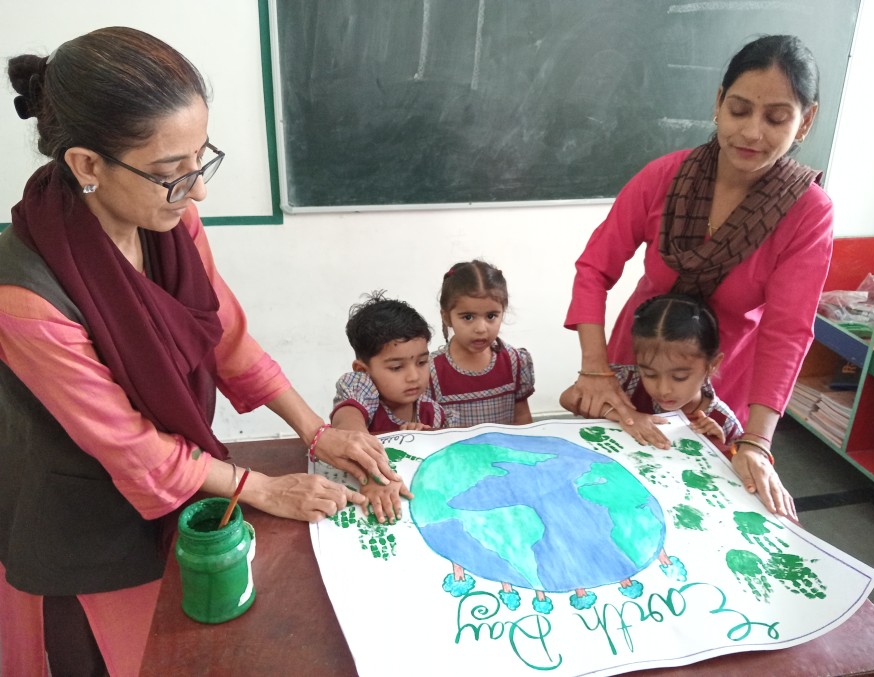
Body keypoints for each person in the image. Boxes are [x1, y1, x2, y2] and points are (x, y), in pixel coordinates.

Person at [0, 27, 397, 676]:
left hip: (179, 476)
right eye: (170, 173)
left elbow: (228, 339)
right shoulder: (26, 296)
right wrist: (263, 488)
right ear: (87, 165)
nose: (198, 192)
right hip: (85, 518)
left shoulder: (173, 219)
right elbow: (132, 448)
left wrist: (316, 431)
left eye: (200, 160)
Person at [561, 34, 833, 519]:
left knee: (693, 507)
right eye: (739, 110)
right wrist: (597, 370)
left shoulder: (807, 212)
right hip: (638, 361)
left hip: (720, 382)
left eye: (776, 118)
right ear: (718, 102)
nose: (751, 132)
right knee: (608, 497)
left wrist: (757, 442)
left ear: (806, 121)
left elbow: (787, 331)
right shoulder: (664, 177)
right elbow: (594, 268)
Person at [331, 292, 457, 523]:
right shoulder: (361, 388)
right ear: (363, 371)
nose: (413, 376)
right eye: (397, 367)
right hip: (363, 501)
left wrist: (423, 439)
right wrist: (373, 473)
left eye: (421, 362)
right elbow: (345, 424)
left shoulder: (433, 412)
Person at [566, 294, 744, 451]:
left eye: (679, 377)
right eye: (650, 374)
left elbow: (739, 461)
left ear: (712, 365)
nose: (663, 389)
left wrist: (720, 447)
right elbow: (569, 398)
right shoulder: (627, 381)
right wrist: (626, 415)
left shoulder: (723, 421)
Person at [429, 260, 535, 426]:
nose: (481, 329)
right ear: (447, 317)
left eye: (491, 316)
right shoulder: (431, 371)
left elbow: (522, 419)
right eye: (468, 317)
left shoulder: (515, 362)